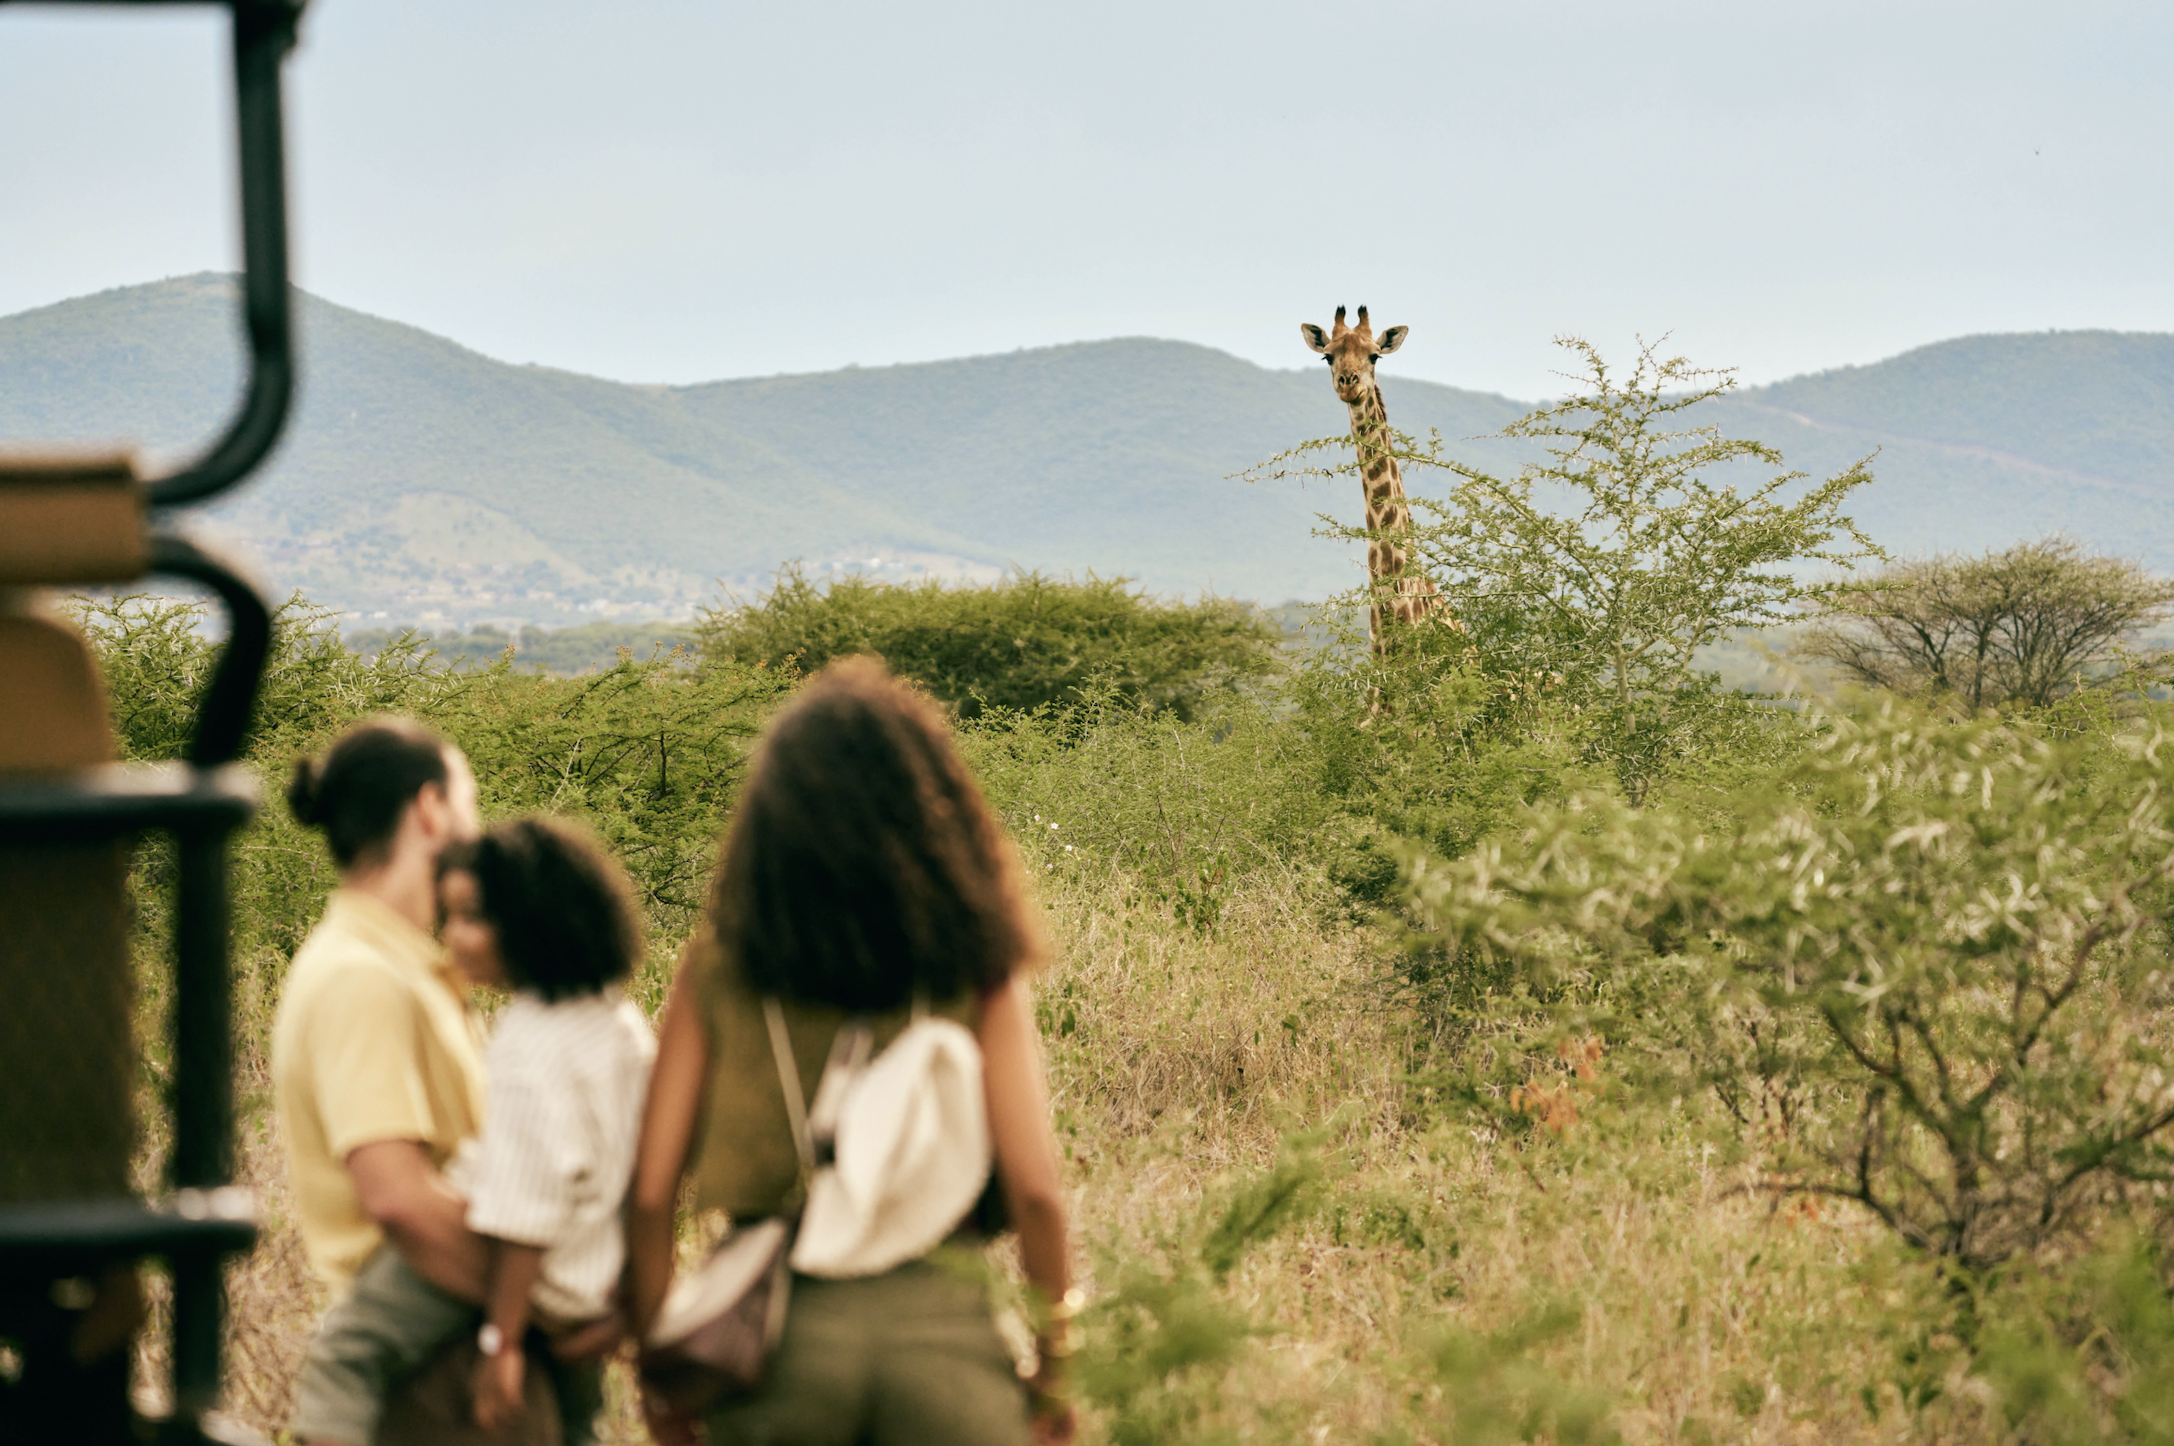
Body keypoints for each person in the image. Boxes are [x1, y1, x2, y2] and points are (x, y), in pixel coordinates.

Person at [627, 657, 1080, 1446]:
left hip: (773, 1346)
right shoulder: (978, 966)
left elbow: (648, 1192)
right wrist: (1055, 1369)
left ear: (772, 821)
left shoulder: (718, 968)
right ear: (933, 810)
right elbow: (1038, 1192)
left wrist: (659, 1372)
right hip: (946, 1340)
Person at [271, 718, 491, 1445]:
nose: (475, 822)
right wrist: (543, 1305)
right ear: (429, 809)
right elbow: (398, 1197)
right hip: (429, 1373)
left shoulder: (387, 962)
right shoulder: (363, 978)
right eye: (467, 799)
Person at [437, 817, 657, 1443]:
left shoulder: (528, 1043)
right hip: (594, 1289)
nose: (452, 937)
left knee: (348, 1355)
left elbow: (525, 1213)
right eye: (447, 916)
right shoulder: (619, 1020)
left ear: (529, 921)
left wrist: (499, 1341)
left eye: (473, 917)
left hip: (537, 1293)